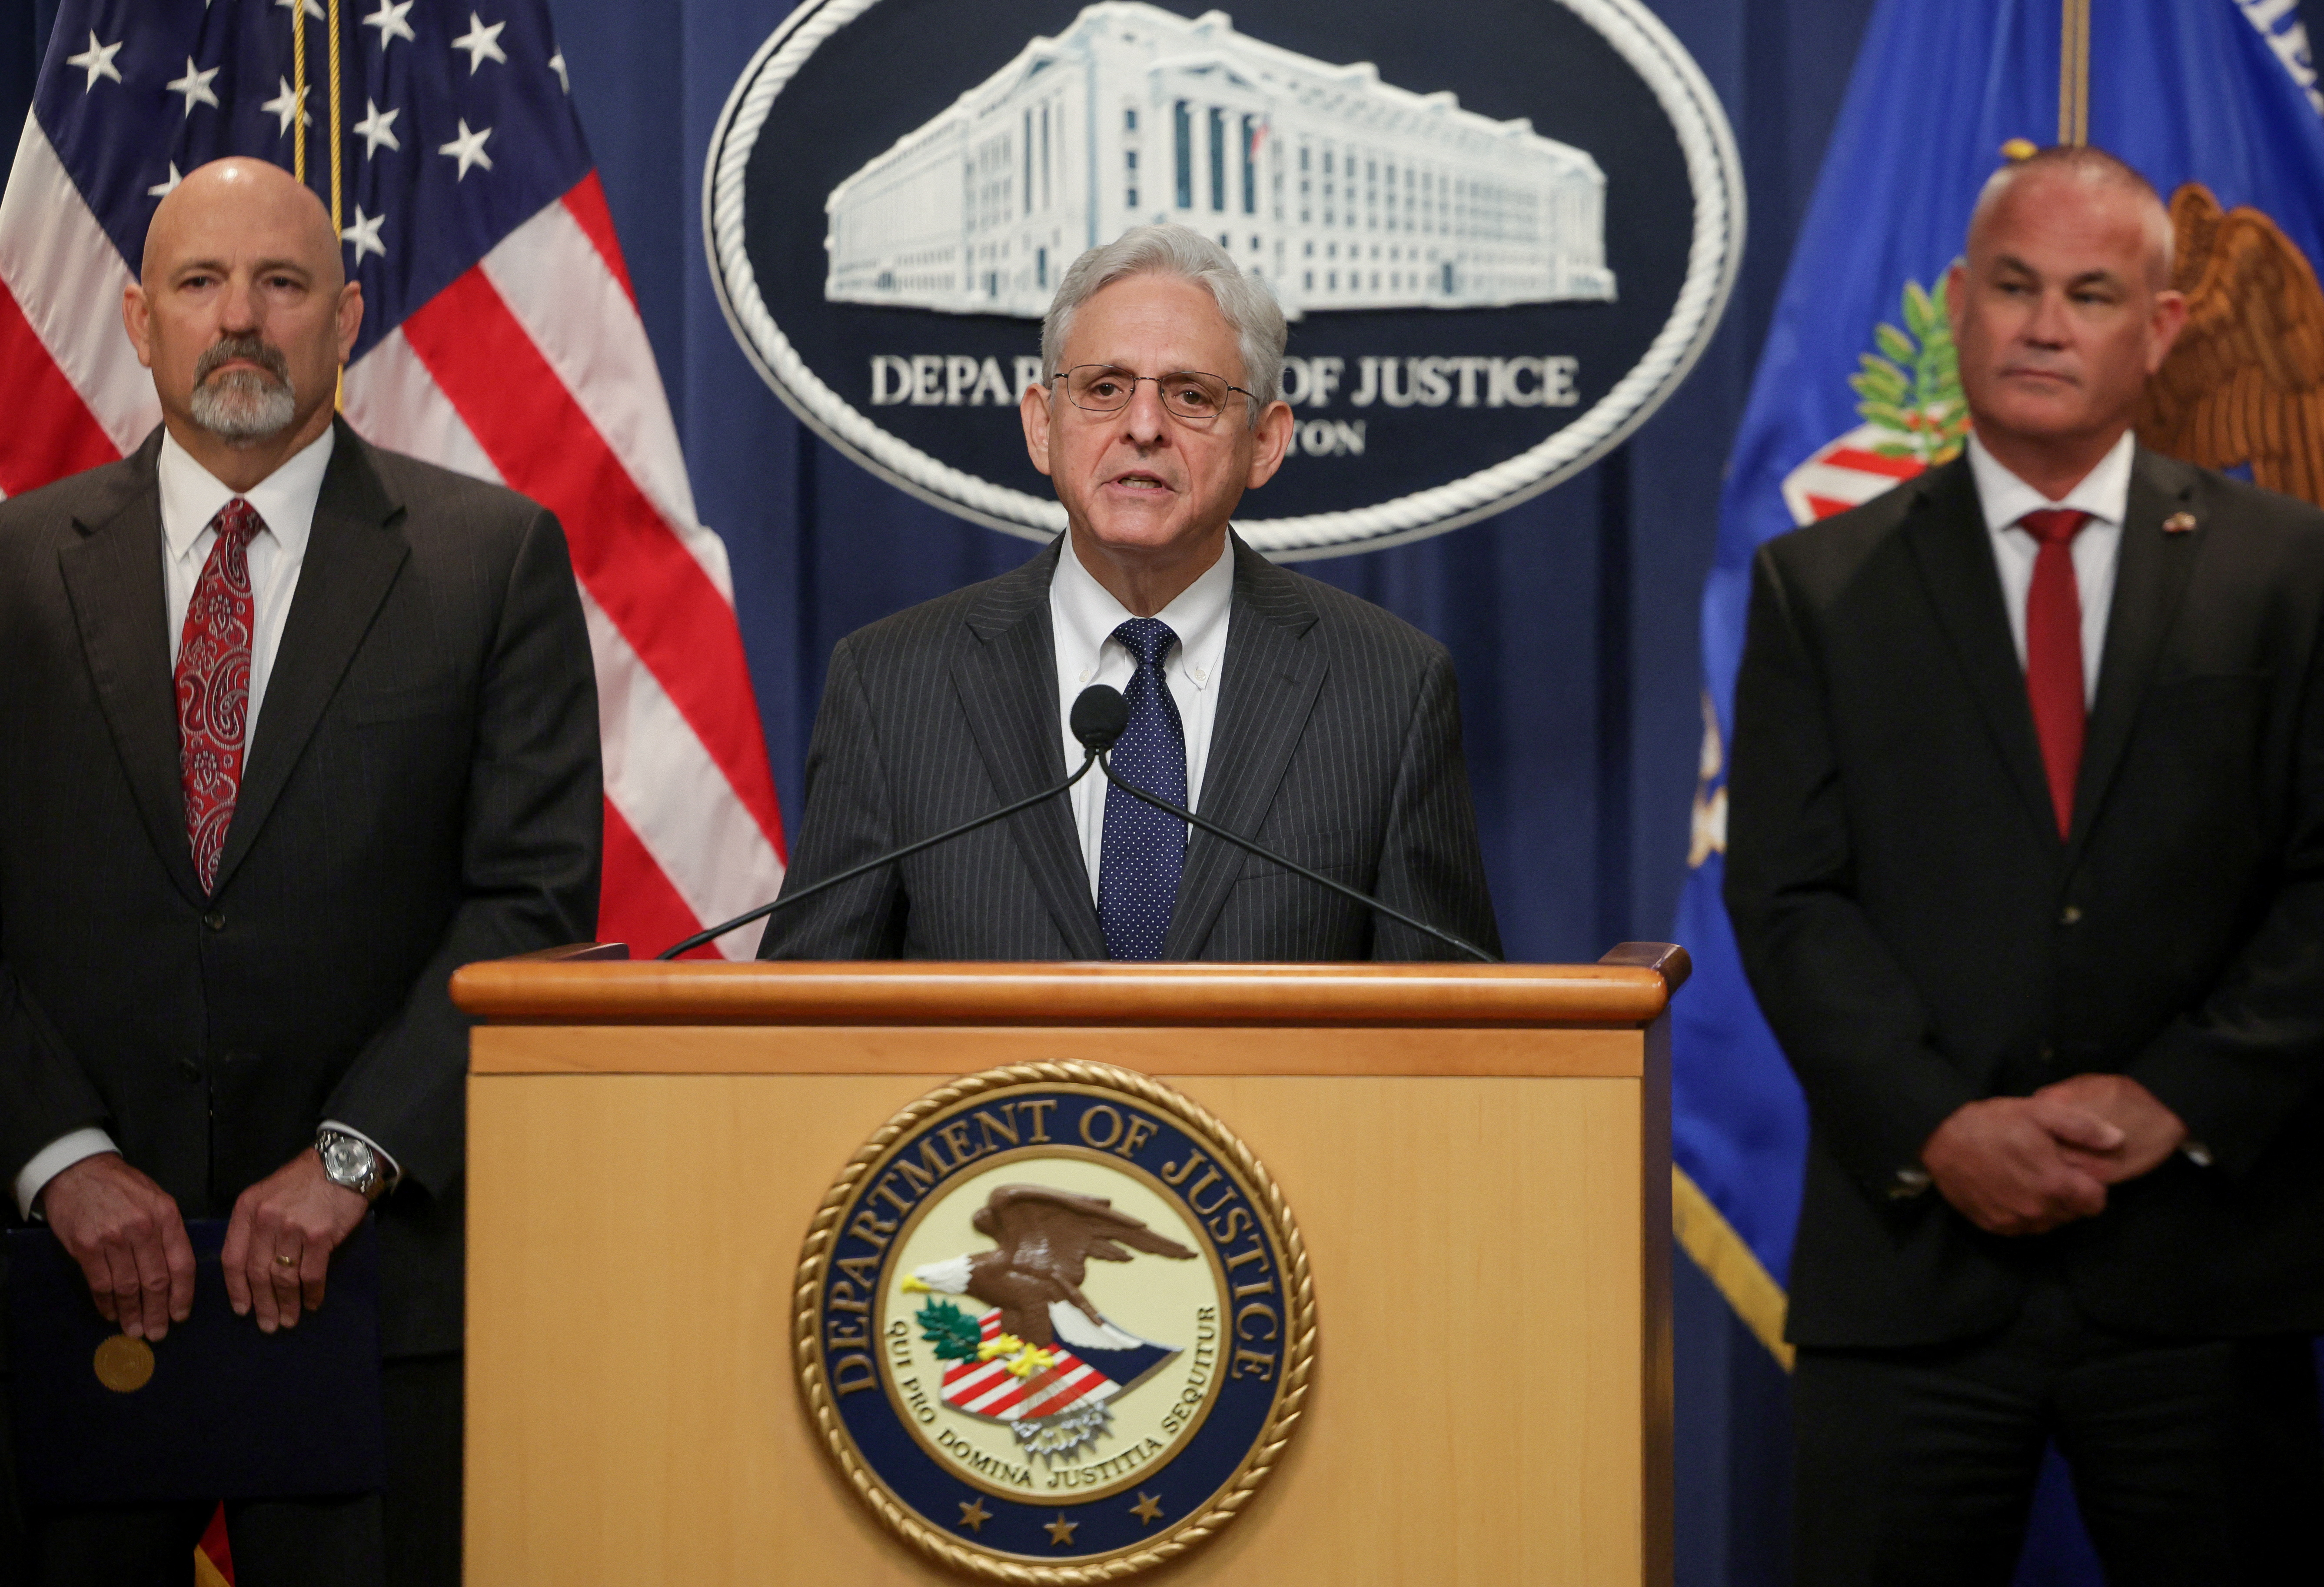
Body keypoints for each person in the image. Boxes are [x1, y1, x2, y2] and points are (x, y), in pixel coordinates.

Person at [1724, 144, 2324, 1586]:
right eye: (2011, 286)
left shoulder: (2283, 567)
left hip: (2200, 1269)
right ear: (1954, 304)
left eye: (2089, 292)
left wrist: (2171, 1096)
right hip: (1911, 1273)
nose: (2044, 324)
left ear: (2162, 329)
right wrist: (1937, 1128)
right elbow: (1788, 897)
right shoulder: (1819, 585)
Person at [0, 158, 601, 1584]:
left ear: (347, 315)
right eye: (202, 285)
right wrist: (60, 1159)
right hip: (52, 1283)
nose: (243, 320)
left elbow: (529, 904)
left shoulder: (490, 559)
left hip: (371, 1297)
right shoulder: (13, 571)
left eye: (281, 285)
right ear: (139, 320)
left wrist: (351, 1156)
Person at [760, 225, 1498, 962]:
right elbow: (804, 1035)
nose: (1143, 427)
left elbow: (1454, 1037)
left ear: (1264, 442)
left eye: (1191, 396)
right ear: (1043, 426)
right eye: (1104, 389)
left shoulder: (1388, 690)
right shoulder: (892, 689)